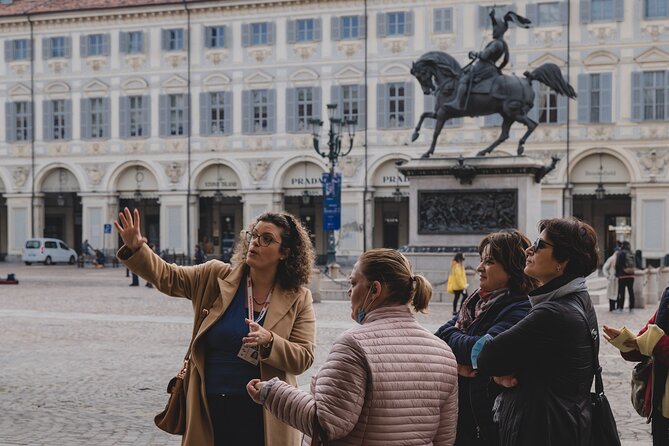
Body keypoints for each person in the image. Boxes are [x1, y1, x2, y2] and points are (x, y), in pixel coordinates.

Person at [114, 207, 316, 446]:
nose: (255, 243)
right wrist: (138, 248)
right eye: (253, 234)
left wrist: (270, 342)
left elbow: (303, 357)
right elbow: (168, 276)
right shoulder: (214, 277)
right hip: (208, 407)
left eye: (267, 239)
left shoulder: (298, 297)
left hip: (264, 413)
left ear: (285, 252)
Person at [247, 248, 459, 445]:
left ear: (375, 290)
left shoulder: (354, 344)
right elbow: (445, 438)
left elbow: (326, 423)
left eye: (354, 283)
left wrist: (272, 391)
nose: (349, 292)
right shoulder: (443, 352)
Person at [476, 218, 601, 446]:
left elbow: (487, 357)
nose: (529, 249)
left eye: (540, 245)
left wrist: (503, 374)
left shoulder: (552, 312)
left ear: (562, 262)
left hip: (542, 429)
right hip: (567, 423)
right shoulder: (580, 299)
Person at [435, 230, 537, 446]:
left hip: (490, 424)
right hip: (464, 419)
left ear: (513, 267)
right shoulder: (474, 304)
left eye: (489, 262)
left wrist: (455, 338)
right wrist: (457, 364)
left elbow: (482, 351)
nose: (479, 268)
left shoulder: (521, 308)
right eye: (481, 260)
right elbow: (438, 337)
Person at [603, 286, 669, 445]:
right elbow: (645, 342)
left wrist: (648, 343)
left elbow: (652, 342)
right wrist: (626, 340)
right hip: (661, 407)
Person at [445, 8, 530, 112]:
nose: (492, 32)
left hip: (483, 67)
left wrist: (475, 53)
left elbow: (485, 56)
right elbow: (506, 60)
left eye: (494, 30)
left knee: (464, 78)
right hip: (491, 68)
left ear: (499, 31)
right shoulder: (503, 44)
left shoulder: (496, 43)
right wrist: (498, 68)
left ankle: (458, 102)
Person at [615, 240, 636, 311]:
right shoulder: (631, 253)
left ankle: (620, 307)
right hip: (631, 275)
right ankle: (632, 307)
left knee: (621, 292)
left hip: (622, 275)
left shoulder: (621, 253)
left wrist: (617, 274)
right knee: (631, 291)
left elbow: (618, 264)